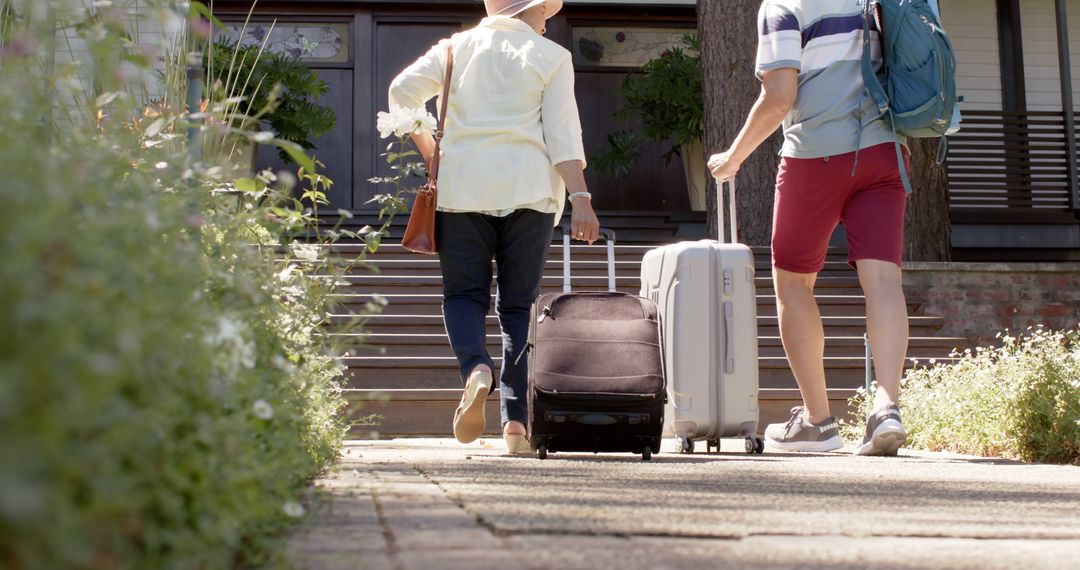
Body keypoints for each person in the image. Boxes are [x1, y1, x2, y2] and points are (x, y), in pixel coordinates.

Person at [388, 0, 600, 454]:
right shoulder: (552, 57)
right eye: (545, 11)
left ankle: (475, 370)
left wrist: (431, 151)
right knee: (518, 306)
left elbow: (402, 92)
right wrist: (581, 198)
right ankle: (515, 425)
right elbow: (562, 133)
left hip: (462, 188)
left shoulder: (453, 49)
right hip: (529, 190)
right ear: (528, 12)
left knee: (463, 294)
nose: (549, 19)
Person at [708, 0, 909, 455]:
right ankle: (887, 406)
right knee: (883, 281)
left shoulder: (783, 6)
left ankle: (818, 423)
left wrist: (733, 157)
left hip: (814, 155)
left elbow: (780, 96)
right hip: (884, 152)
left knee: (794, 284)